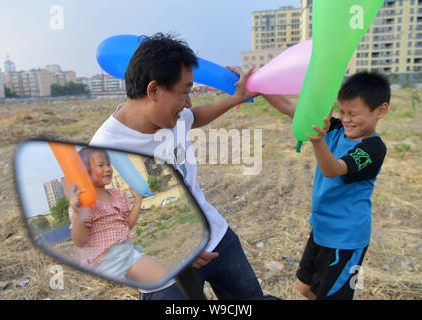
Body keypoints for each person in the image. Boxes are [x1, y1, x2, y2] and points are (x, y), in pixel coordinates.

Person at [90, 32, 264, 300]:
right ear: (154, 90)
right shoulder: (104, 150)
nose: (188, 103)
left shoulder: (175, 116)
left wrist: (234, 99)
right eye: (185, 92)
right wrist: (176, 248)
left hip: (217, 240)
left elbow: (193, 117)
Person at [264, 71, 390, 300]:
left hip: (346, 238)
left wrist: (318, 142)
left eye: (353, 114)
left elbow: (333, 169)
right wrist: (258, 86)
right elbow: (287, 107)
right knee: (306, 288)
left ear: (380, 111)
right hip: (322, 229)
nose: (346, 119)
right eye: (342, 112)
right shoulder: (334, 128)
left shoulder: (373, 148)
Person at [68, 147, 169, 284]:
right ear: (84, 172)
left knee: (162, 278)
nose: (108, 169)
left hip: (126, 251)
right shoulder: (82, 204)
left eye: (109, 164)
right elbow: (80, 241)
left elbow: (127, 226)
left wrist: (137, 201)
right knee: (164, 278)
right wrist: (78, 214)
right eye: (101, 165)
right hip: (104, 260)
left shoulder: (117, 194)